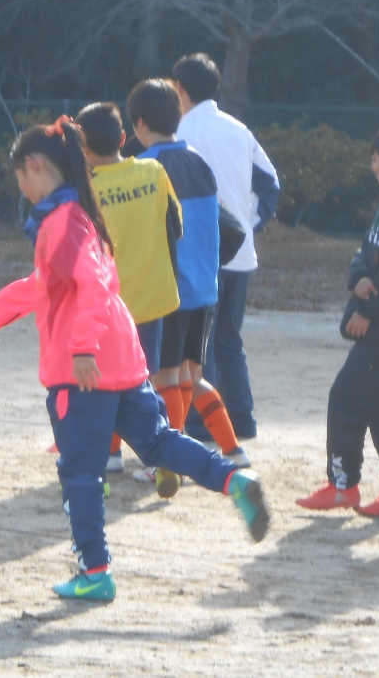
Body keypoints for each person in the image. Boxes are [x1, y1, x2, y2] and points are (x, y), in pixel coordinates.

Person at [0, 117, 268, 602]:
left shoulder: (61, 221)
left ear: (34, 166)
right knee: (157, 442)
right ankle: (233, 478)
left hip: (84, 367)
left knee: (80, 471)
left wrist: (82, 349)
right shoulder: (80, 214)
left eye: (20, 178)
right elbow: (59, 283)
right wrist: (5, 305)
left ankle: (95, 572)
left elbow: (91, 286)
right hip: (122, 357)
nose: (22, 189)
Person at [126, 79, 250, 468]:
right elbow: (228, 227)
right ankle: (234, 450)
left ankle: (170, 461)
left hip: (170, 291)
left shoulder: (147, 170)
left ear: (139, 124)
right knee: (190, 378)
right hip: (205, 291)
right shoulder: (199, 162)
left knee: (164, 379)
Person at [171, 54, 280, 441]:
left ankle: (203, 425)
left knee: (198, 344)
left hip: (199, 256)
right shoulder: (239, 129)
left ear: (179, 89)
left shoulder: (178, 133)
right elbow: (270, 185)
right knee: (229, 339)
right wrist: (247, 227)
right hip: (240, 253)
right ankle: (242, 420)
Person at [75, 103, 181, 492]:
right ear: (123, 138)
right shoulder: (154, 171)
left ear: (82, 148)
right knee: (142, 380)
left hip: (106, 302)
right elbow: (176, 226)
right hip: (152, 296)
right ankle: (163, 451)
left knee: (99, 380)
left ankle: (107, 456)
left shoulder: (83, 189)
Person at [296, 125, 379, 517]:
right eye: (374, 158)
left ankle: (342, 486)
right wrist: (359, 278)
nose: (377, 165)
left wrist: (368, 310)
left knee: (346, 396)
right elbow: (363, 254)